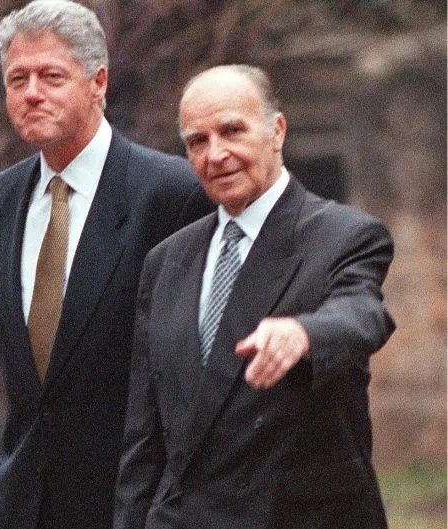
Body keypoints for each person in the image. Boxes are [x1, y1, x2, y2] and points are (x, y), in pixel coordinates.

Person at [113, 64, 395, 529]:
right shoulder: (166, 261)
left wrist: (304, 333)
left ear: (276, 131)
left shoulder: (344, 235)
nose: (215, 154)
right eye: (197, 141)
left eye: (232, 131)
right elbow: (144, 436)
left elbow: (363, 313)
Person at [0, 2, 212, 527]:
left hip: (132, 505)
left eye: (52, 76)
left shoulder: (172, 195)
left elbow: (190, 375)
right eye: (18, 79)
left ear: (98, 82)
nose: (32, 93)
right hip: (21, 506)